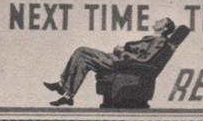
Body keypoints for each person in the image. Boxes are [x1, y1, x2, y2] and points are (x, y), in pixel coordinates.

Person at [45, 17, 177, 106]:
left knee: (81, 51)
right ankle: (68, 95)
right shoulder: (153, 39)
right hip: (118, 61)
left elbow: (144, 59)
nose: (157, 21)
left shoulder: (159, 41)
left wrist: (122, 52)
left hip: (119, 63)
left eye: (161, 21)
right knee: (83, 61)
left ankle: (62, 85)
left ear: (165, 28)